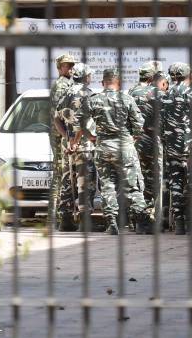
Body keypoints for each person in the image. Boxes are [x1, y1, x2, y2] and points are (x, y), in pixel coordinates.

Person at [80, 68, 150, 235]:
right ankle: (141, 222)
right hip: (124, 147)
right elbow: (140, 126)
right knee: (133, 185)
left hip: (102, 147)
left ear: (103, 82)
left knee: (107, 185)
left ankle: (111, 222)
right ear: (118, 82)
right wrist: (133, 138)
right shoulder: (127, 99)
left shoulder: (93, 100)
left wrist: (91, 137)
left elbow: (79, 121)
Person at [55, 63, 97, 232]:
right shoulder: (89, 94)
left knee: (67, 180)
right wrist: (81, 139)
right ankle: (85, 221)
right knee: (86, 181)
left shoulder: (65, 93)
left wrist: (67, 138)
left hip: (67, 146)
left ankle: (65, 220)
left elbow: (56, 119)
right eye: (89, 75)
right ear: (86, 77)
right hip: (84, 145)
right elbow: (84, 123)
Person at [129, 62, 166, 233]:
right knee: (153, 180)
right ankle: (150, 218)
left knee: (137, 180)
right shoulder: (157, 94)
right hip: (153, 142)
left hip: (134, 142)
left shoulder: (131, 92)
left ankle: (135, 218)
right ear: (152, 77)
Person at [163, 62, 192, 235]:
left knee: (175, 183)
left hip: (171, 146)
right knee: (191, 183)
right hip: (189, 146)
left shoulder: (165, 95)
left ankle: (179, 222)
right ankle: (191, 221)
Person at [48, 54, 75, 223]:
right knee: (60, 174)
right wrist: (66, 136)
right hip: (60, 135)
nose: (70, 68)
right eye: (67, 65)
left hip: (65, 134)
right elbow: (58, 114)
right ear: (59, 68)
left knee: (65, 174)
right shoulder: (60, 85)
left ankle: (62, 213)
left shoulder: (69, 83)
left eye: (72, 65)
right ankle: (55, 214)